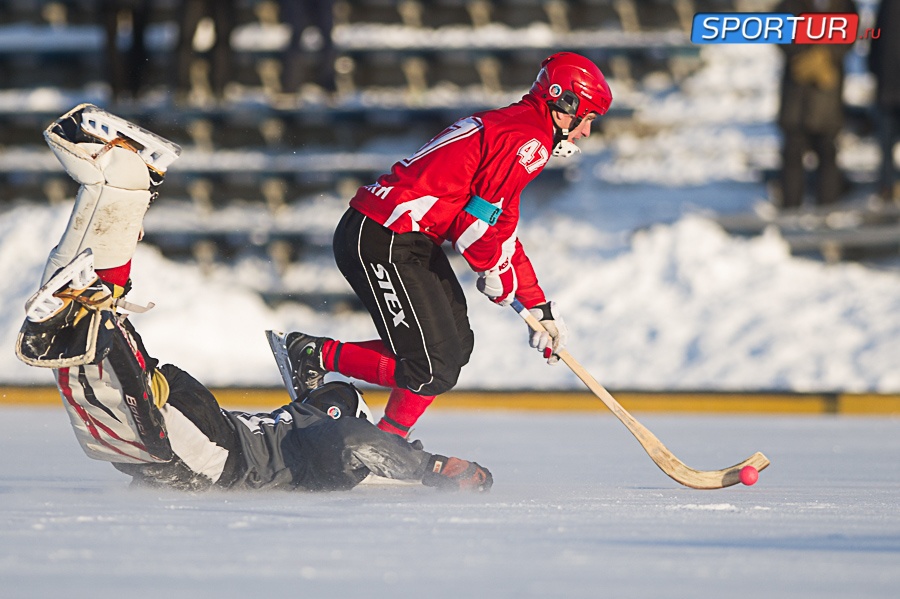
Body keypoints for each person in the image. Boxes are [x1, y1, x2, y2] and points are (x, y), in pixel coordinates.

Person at [14, 104, 492, 493]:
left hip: (213, 426)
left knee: (126, 392)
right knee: (123, 419)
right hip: (218, 454)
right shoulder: (327, 450)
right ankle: (93, 291)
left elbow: (341, 423)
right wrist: (430, 467)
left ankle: (120, 195)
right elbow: (357, 442)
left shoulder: (306, 424)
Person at [275, 52, 612, 439]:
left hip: (402, 237)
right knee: (429, 366)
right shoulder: (528, 142)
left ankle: (386, 441)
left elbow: (500, 230)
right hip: (385, 236)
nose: (585, 132)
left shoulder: (519, 128)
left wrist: (538, 305)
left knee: (453, 348)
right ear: (562, 104)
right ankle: (311, 355)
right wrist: (495, 271)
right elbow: (473, 230)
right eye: (586, 118)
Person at [775, 0, 858, 210]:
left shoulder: (843, 5)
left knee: (827, 154)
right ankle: (790, 209)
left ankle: (827, 210)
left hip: (826, 94)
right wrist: (805, 55)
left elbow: (849, 34)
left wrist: (825, 55)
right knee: (793, 155)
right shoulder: (789, 5)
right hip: (796, 96)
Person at [868, 0, 900, 202]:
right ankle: (887, 187)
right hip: (888, 87)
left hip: (887, 87)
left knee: (886, 144)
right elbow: (875, 41)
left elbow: (874, 43)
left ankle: (887, 187)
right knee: (886, 144)